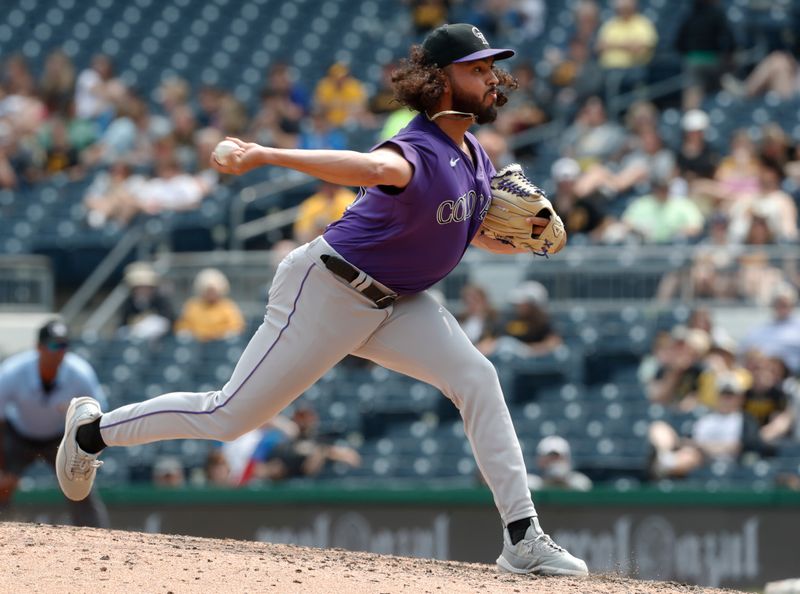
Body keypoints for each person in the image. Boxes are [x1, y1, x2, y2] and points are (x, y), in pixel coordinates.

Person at [55, 23, 588, 576]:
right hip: (328, 289)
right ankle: (93, 431)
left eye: (489, 67)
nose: (489, 77)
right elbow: (370, 168)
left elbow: (465, 230)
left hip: (398, 303)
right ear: (439, 81)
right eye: (475, 68)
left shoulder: (473, 153)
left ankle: (522, 536)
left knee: (477, 378)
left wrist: (520, 243)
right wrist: (264, 154)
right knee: (228, 416)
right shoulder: (417, 149)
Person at [0, 321, 108, 527]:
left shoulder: (80, 373)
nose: (59, 352)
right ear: (38, 347)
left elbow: (99, 416)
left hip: (60, 436)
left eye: (64, 346)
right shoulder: (13, 371)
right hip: (18, 435)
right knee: (3, 485)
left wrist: (84, 453)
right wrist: (2, 467)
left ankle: (95, 537)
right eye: (53, 345)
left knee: (79, 487)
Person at [174, 268, 245, 342]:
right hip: (197, 345)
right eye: (208, 291)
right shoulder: (192, 306)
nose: (211, 294)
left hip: (220, 344)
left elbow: (236, 326)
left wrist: (220, 335)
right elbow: (183, 326)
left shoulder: (228, 306)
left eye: (213, 291)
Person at [292, 181, 357, 244]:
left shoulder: (350, 199)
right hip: (314, 243)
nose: (329, 188)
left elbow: (351, 231)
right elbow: (300, 235)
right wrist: (315, 229)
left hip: (344, 243)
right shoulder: (312, 203)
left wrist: (327, 225)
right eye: (326, 184)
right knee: (285, 247)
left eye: (332, 184)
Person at [527, 436, 592, 492]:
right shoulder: (529, 484)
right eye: (550, 458)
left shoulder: (580, 483)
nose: (554, 462)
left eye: (558, 458)